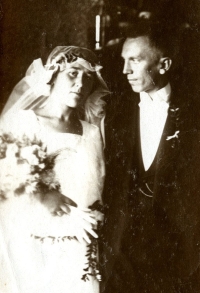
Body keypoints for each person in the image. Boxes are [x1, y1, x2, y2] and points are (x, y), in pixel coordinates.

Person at [0, 46, 109, 293]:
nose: (80, 83)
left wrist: (96, 215)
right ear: (52, 76)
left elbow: (97, 187)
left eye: (88, 77)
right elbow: (7, 190)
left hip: (80, 248)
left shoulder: (92, 132)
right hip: (34, 247)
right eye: (72, 73)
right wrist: (45, 200)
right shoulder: (24, 122)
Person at [101, 20, 200, 293]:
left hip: (178, 252)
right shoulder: (115, 113)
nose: (125, 70)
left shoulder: (194, 113)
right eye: (123, 60)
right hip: (121, 250)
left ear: (163, 65)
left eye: (135, 60)